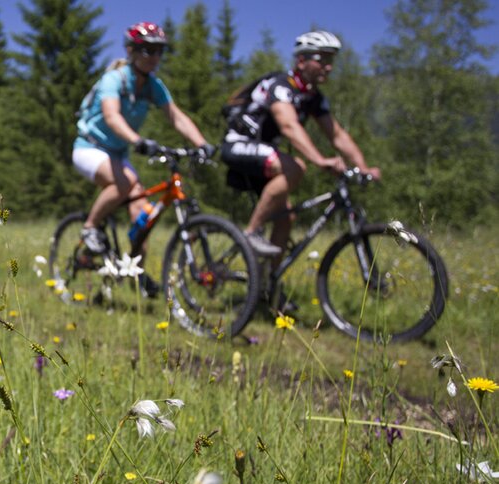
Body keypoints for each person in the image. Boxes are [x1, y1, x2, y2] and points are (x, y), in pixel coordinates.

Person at [73, 21, 214, 294]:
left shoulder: (153, 85)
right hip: (88, 148)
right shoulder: (114, 79)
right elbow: (112, 117)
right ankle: (90, 227)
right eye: (148, 50)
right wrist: (138, 141)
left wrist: (202, 144)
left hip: (117, 153)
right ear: (132, 51)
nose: (155, 57)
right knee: (125, 182)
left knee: (144, 218)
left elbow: (176, 116)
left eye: (159, 51)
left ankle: (132, 274)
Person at [220, 30, 381, 259]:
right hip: (238, 144)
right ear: (301, 60)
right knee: (295, 167)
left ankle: (267, 290)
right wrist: (320, 160)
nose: (328, 67)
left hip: (265, 155)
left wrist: (363, 167)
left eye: (331, 60)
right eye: (322, 59)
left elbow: (337, 136)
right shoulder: (281, 85)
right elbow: (289, 126)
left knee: (286, 220)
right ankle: (251, 232)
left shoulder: (314, 98)